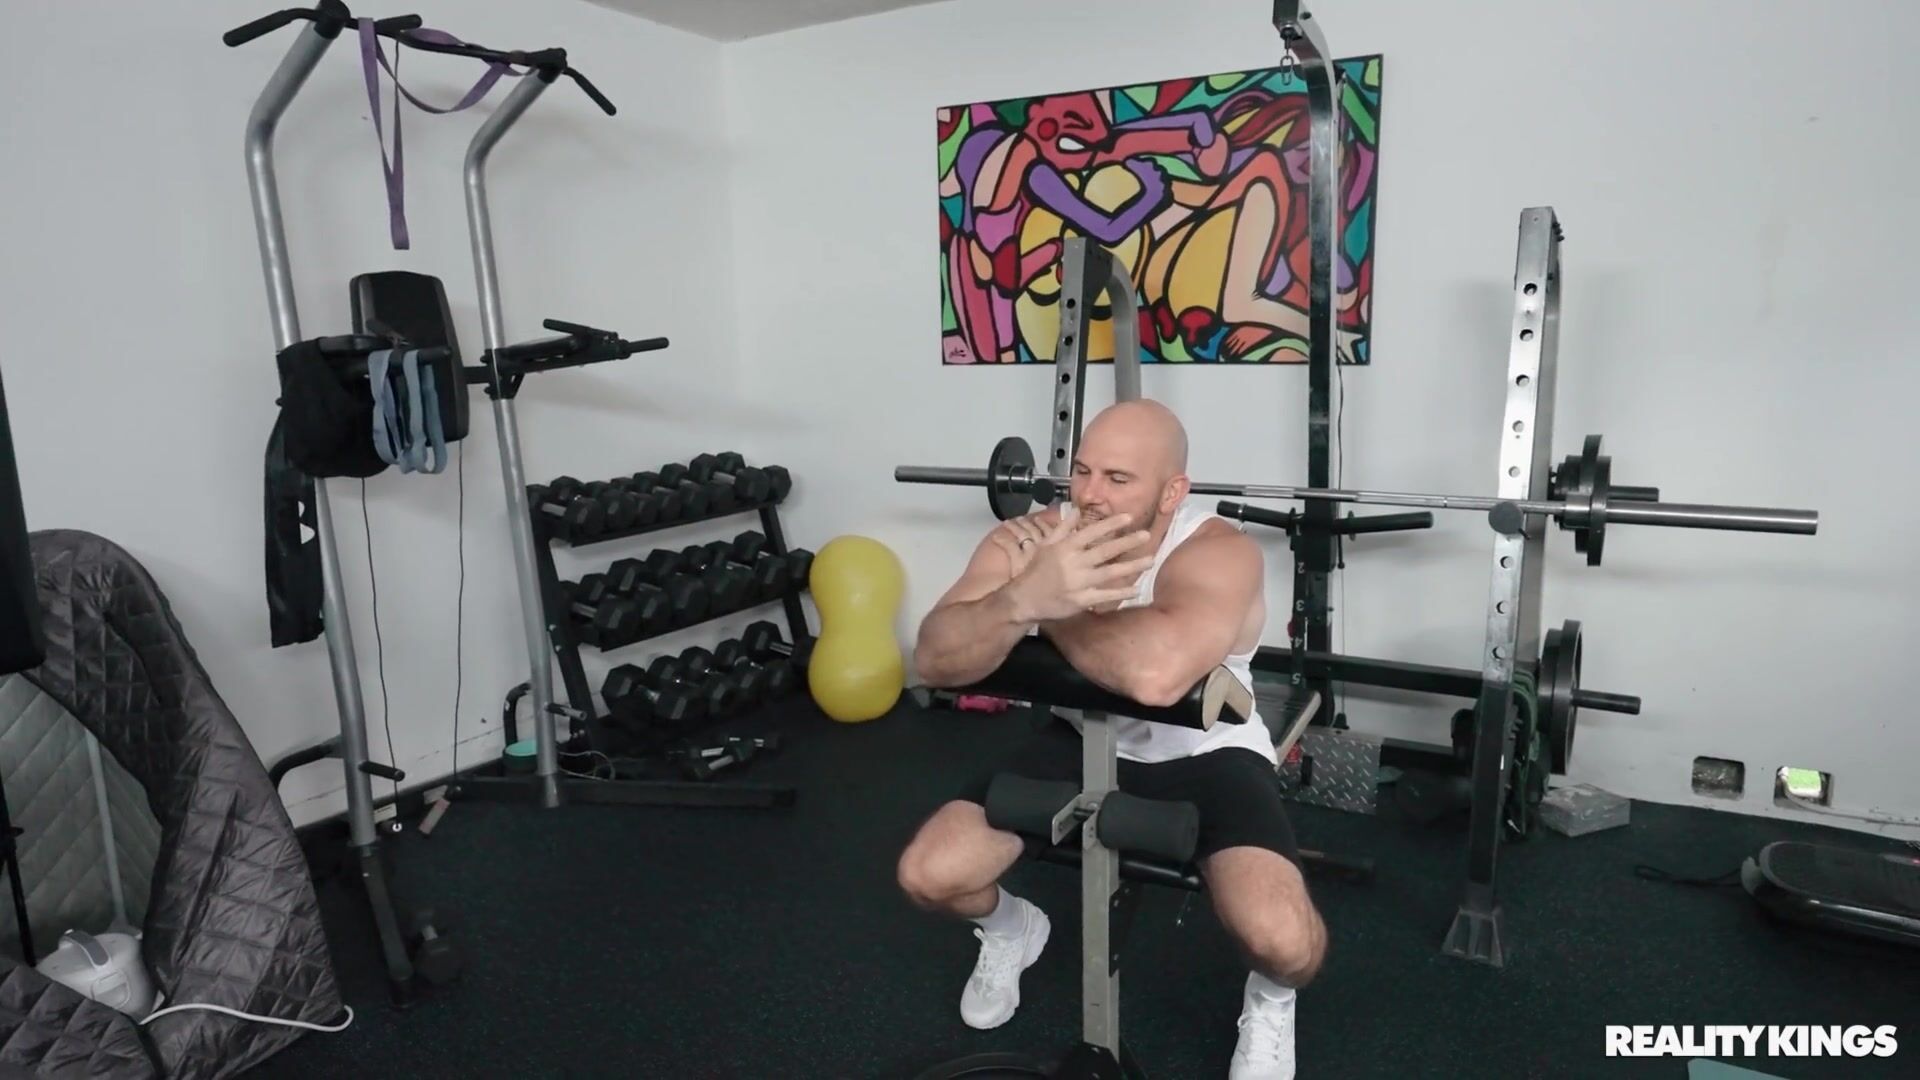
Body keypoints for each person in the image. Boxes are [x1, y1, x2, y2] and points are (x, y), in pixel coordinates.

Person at [897, 398, 1328, 1080]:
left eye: (1118, 478)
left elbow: (1155, 676)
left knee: (1285, 945)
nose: (1090, 495)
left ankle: (1272, 1000)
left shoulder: (1218, 552)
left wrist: (1047, 605)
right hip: (1080, 736)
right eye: (1083, 471)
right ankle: (1014, 929)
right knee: (930, 876)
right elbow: (935, 658)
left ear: (1172, 492)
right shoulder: (1035, 538)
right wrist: (1018, 598)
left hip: (1206, 751)